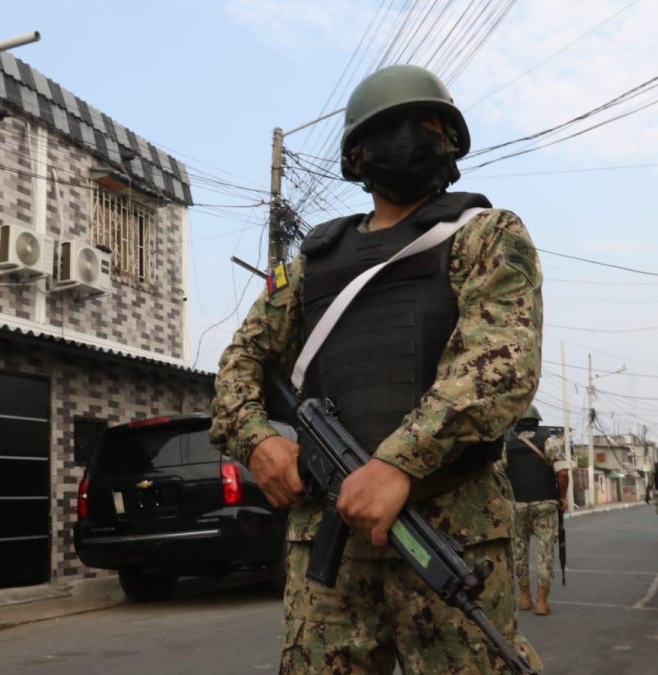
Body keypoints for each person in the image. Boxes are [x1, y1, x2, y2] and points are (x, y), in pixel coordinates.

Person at [210, 64, 544, 673]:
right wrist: (258, 441)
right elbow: (240, 365)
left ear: (450, 143)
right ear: (357, 155)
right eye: (390, 127)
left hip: (449, 527)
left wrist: (396, 464)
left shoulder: (486, 235)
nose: (411, 137)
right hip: (327, 540)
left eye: (427, 123)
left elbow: (502, 364)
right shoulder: (310, 264)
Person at [500, 406, 570, 616]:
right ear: (538, 421)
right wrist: (563, 497)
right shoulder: (550, 441)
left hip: (517, 505)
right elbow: (563, 474)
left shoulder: (507, 444)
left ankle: (524, 598)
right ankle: (541, 601)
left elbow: (499, 474)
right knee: (545, 553)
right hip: (545, 504)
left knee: (519, 553)